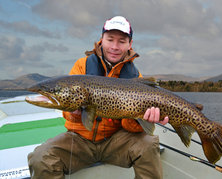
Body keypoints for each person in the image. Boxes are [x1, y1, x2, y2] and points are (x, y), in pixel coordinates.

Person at [27, 16, 169, 179]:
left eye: (121, 41)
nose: (115, 47)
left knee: (149, 144)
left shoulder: (136, 78)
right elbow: (66, 109)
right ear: (101, 40)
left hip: (116, 141)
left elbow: (131, 127)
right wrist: (74, 113)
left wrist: (145, 120)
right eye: (110, 40)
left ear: (130, 45)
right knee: (40, 158)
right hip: (80, 140)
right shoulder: (82, 65)